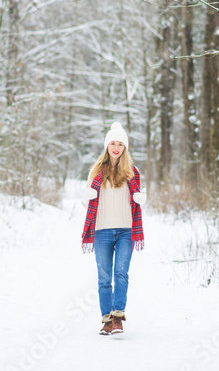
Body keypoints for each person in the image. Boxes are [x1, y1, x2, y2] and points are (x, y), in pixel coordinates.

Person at [81, 122, 146, 335]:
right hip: (102, 231)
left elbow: (137, 198)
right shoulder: (97, 170)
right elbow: (86, 201)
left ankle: (118, 317)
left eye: (120, 144)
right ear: (107, 146)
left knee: (121, 273)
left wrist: (140, 198)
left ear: (125, 147)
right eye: (113, 143)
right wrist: (85, 197)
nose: (116, 147)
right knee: (103, 277)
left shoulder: (132, 172)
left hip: (126, 230)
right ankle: (106, 319)